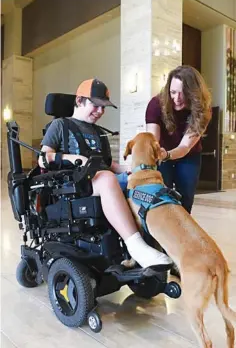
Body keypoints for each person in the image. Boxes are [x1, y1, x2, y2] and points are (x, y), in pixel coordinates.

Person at [38, 78, 172, 269]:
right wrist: (74, 159)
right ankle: (137, 248)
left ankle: (160, 242)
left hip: (102, 180)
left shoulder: (99, 132)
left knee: (144, 179)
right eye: (96, 105)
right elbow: (43, 158)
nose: (100, 112)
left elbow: (108, 164)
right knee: (106, 178)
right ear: (79, 101)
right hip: (73, 185)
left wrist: (131, 171)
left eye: (104, 107)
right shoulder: (60, 125)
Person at [146, 65, 212, 214]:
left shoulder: (203, 109)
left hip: (189, 155)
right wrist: (157, 154)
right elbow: (153, 140)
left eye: (183, 93)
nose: (176, 99)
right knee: (162, 194)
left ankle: (182, 231)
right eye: (173, 92)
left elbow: (185, 147)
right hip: (161, 153)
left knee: (186, 197)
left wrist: (168, 154)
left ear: (193, 94)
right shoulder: (156, 104)